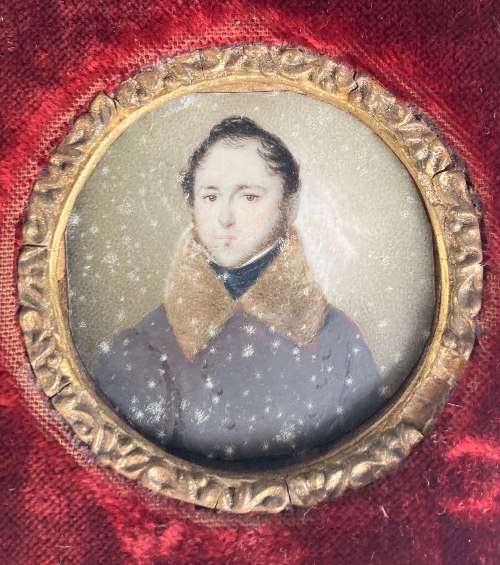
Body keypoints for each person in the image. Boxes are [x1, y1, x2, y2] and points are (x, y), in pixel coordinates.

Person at [95, 116, 383, 460]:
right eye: (210, 196)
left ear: (290, 205)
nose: (225, 218)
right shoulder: (145, 348)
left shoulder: (339, 340)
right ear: (192, 204)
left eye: (249, 197)